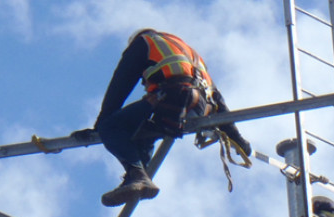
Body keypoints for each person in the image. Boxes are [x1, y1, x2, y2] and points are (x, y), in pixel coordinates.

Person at [71, 29, 250, 207]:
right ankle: (137, 177)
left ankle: (137, 175)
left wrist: (100, 126)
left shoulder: (144, 43)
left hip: (173, 96)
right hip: (198, 109)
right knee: (143, 133)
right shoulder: (191, 55)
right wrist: (238, 139)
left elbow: (120, 84)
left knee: (110, 127)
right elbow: (219, 101)